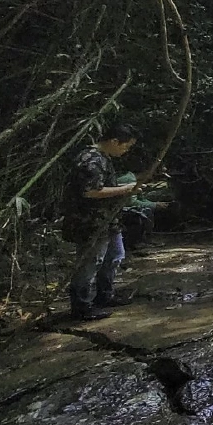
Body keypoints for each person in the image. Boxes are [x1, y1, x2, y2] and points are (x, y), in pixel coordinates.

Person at [63, 123, 140, 320]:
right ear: (114, 141)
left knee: (115, 256)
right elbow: (91, 191)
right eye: (125, 146)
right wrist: (126, 189)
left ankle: (104, 296)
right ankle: (81, 307)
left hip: (107, 220)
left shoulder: (103, 159)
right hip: (91, 222)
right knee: (90, 263)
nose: (126, 151)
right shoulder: (91, 160)